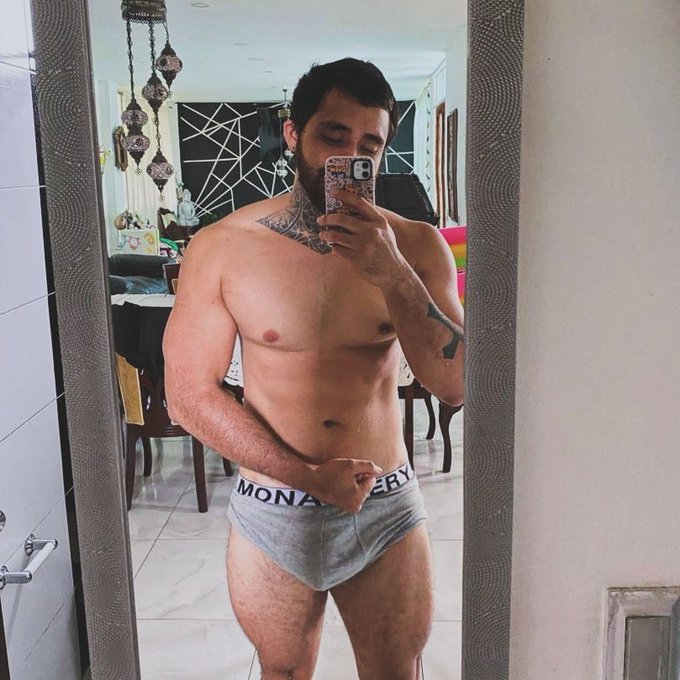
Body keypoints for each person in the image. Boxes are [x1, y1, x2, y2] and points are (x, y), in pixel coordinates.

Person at [163, 58, 464, 680]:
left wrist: (394, 276)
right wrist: (307, 477)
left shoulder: (416, 246)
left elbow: (457, 385)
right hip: (273, 500)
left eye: (369, 144)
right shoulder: (223, 247)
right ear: (293, 133)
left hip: (382, 500)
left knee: (396, 672)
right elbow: (188, 396)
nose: (351, 156)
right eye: (334, 136)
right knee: (282, 671)